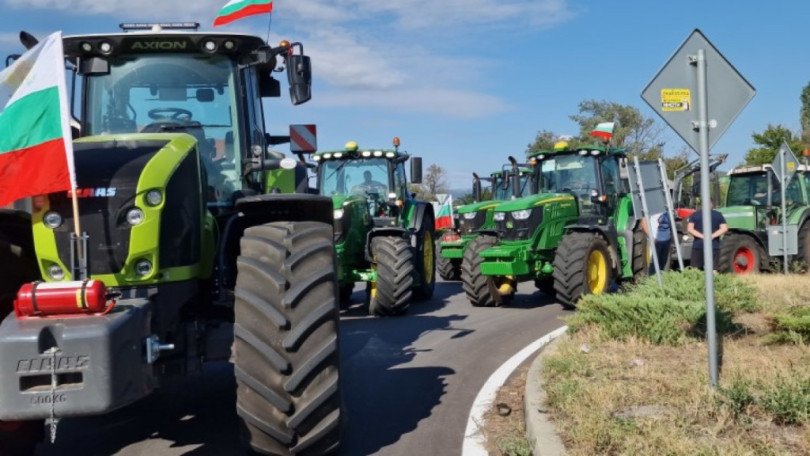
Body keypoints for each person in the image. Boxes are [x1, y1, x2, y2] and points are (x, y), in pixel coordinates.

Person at [687, 203, 728, 270]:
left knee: (696, 269)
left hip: (698, 245)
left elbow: (690, 229)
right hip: (713, 245)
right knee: (713, 269)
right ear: (712, 205)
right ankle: (714, 280)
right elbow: (724, 228)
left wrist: (702, 236)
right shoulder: (718, 215)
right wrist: (712, 236)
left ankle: (697, 280)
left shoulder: (695, 215)